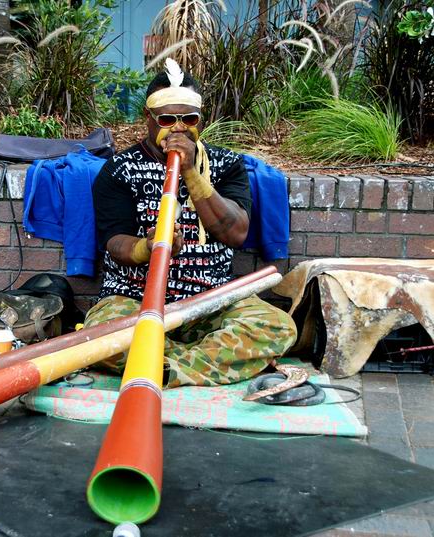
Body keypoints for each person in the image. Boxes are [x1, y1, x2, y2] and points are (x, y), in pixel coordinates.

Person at [84, 60, 297, 388]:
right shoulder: (119, 169)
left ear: (201, 120)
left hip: (209, 301)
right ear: (149, 119)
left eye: (189, 119)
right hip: (134, 300)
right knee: (101, 334)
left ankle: (161, 366)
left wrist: (191, 174)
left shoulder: (227, 165)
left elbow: (236, 233)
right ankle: (205, 362)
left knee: (277, 326)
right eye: (167, 119)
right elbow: (114, 243)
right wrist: (147, 247)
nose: (178, 129)